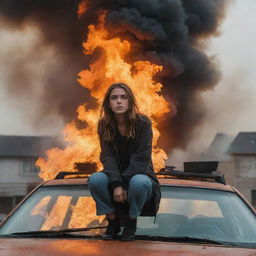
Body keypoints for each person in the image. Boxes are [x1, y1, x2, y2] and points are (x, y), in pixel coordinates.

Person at [88, 83, 161, 241]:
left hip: (141, 176)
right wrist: (116, 184)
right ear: (109, 103)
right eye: (114, 98)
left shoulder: (143, 123)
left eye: (123, 97)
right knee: (95, 179)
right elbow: (107, 156)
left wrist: (123, 184)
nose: (119, 101)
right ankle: (112, 220)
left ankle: (131, 221)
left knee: (139, 182)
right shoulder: (104, 125)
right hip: (115, 177)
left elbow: (142, 157)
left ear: (130, 101)